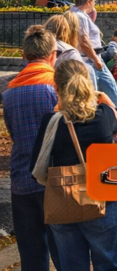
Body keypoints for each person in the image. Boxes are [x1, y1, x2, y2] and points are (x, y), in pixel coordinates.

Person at [31, 60, 117, 271]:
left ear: (57, 88)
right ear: (87, 84)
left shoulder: (52, 121)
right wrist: (105, 99)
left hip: (63, 202)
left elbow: (35, 169)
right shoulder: (103, 116)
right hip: (101, 200)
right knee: (108, 264)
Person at [4, 26, 61, 271]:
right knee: (63, 251)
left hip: (22, 178)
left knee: (31, 255)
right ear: (52, 55)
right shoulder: (56, 85)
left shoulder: (9, 92)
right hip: (54, 179)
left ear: (24, 55)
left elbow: (13, 132)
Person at [70, 0, 117, 112]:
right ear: (89, 2)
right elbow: (84, 41)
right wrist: (96, 60)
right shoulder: (80, 16)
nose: (95, 4)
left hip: (85, 58)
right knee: (110, 93)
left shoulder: (72, 13)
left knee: (96, 94)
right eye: (94, 1)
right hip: (91, 59)